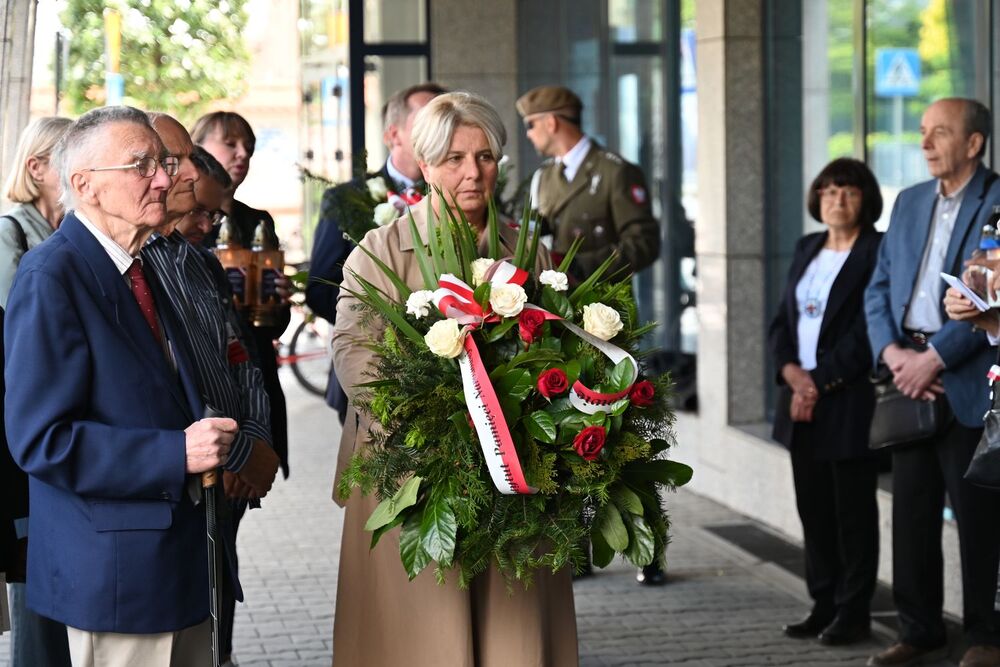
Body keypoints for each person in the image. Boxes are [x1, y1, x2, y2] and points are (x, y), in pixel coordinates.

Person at [331, 92, 578, 666]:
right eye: (454, 159)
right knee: (420, 634)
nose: (473, 172)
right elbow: (354, 353)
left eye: (486, 157)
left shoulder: (528, 253)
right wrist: (440, 429)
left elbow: (562, 358)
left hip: (519, 476)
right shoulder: (382, 250)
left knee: (514, 630)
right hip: (414, 474)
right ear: (423, 162)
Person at [4, 105, 237, 666]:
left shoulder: (144, 263)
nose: (164, 178)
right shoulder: (51, 275)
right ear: (85, 185)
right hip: (117, 578)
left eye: (160, 162)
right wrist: (174, 451)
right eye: (141, 165)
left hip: (176, 562)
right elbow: (42, 440)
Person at [864, 97, 1000, 667]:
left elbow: (989, 299)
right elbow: (880, 287)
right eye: (922, 132)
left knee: (980, 520)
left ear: (973, 143)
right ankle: (919, 630)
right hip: (908, 376)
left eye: (939, 132)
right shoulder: (910, 199)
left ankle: (986, 638)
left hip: (967, 380)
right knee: (912, 512)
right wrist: (895, 355)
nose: (924, 143)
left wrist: (935, 358)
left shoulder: (997, 202)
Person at [145, 115, 280, 667]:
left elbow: (239, 357)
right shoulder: (127, 266)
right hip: (178, 475)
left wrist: (251, 447)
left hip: (227, 461)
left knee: (218, 591)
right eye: (168, 163)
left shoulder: (196, 262)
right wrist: (226, 451)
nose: (207, 220)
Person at [768, 158, 884, 646]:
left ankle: (853, 612)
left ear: (866, 199)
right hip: (801, 402)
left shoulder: (877, 251)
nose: (838, 199)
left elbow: (866, 331)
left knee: (852, 515)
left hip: (846, 401)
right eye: (829, 190)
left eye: (850, 191)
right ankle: (822, 603)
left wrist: (817, 382)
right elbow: (782, 325)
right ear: (817, 198)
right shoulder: (806, 248)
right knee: (813, 510)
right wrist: (794, 376)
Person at [307, 82, 446, 424]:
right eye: (425, 125)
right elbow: (320, 286)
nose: (438, 135)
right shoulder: (347, 199)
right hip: (371, 369)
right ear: (393, 135)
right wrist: (377, 330)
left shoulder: (463, 194)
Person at [0, 115, 73, 667]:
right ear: (37, 168)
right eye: (71, 155)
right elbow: (18, 331)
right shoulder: (11, 231)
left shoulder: (62, 231)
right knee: (31, 565)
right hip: (23, 428)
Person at [192, 111, 292, 478]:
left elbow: (274, 324)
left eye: (248, 147)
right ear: (197, 147)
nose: (242, 155)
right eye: (230, 144)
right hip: (211, 384)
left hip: (256, 367)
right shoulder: (182, 224)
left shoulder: (258, 221)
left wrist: (279, 299)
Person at [516, 84, 660, 279]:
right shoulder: (545, 176)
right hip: (559, 303)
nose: (528, 134)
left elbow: (645, 244)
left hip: (607, 303)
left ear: (551, 123)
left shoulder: (615, 172)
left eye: (530, 125)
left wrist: (581, 266)